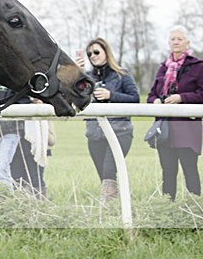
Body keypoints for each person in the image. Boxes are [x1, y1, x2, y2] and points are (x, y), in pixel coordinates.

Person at [75, 38, 140, 203]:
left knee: (108, 172)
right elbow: (75, 100)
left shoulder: (122, 74)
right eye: (90, 54)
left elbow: (135, 98)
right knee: (104, 176)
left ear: (106, 52)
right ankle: (117, 205)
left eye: (96, 52)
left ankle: (108, 208)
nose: (93, 56)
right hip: (94, 134)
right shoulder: (86, 78)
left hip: (120, 132)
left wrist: (111, 95)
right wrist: (77, 74)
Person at [146, 26, 203, 200]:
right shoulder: (163, 68)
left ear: (187, 43)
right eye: (173, 39)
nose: (176, 42)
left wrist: (181, 97)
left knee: (190, 169)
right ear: (168, 43)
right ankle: (168, 207)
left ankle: (194, 207)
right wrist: (155, 101)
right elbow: (151, 95)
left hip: (187, 127)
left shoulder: (198, 66)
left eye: (180, 39)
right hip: (165, 128)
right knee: (168, 171)